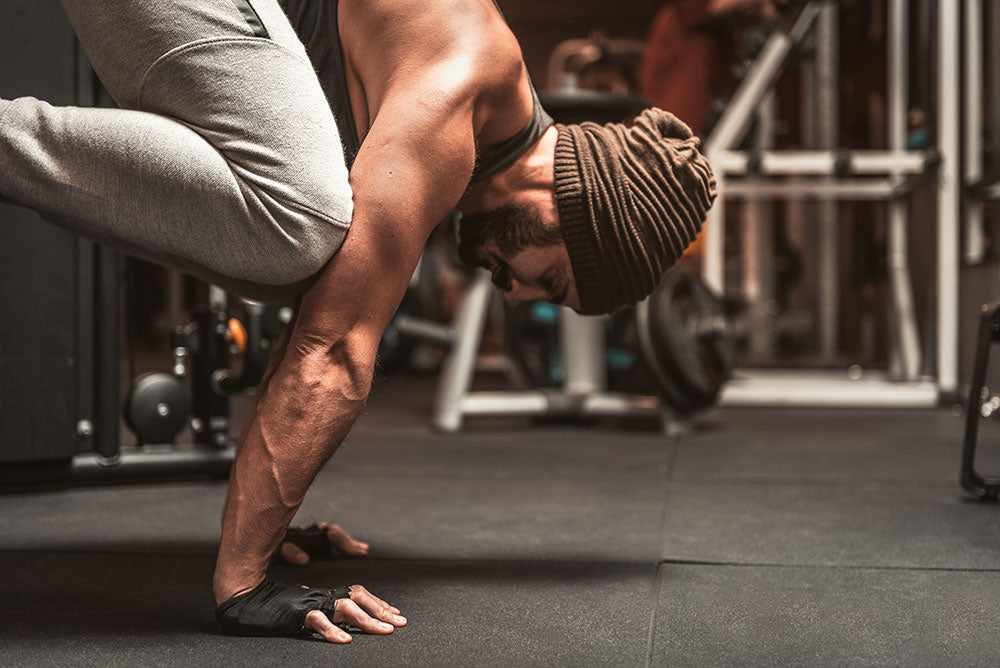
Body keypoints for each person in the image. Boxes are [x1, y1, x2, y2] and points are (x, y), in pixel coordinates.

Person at [0, 0, 715, 643]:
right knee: (304, 226)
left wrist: (265, 523)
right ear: (568, 202)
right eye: (551, 282)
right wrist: (243, 583)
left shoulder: (466, 99)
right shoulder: (460, 89)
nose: (519, 296)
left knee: (305, 254)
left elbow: (324, 311)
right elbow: (334, 347)